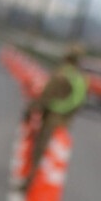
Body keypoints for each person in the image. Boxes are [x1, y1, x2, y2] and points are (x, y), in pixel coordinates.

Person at [21, 44, 88, 191]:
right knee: (54, 157)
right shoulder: (79, 79)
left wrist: (31, 109)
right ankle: (44, 186)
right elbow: (78, 103)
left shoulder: (61, 74)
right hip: (65, 122)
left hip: (51, 119)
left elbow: (46, 96)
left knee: (40, 150)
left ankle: (30, 183)